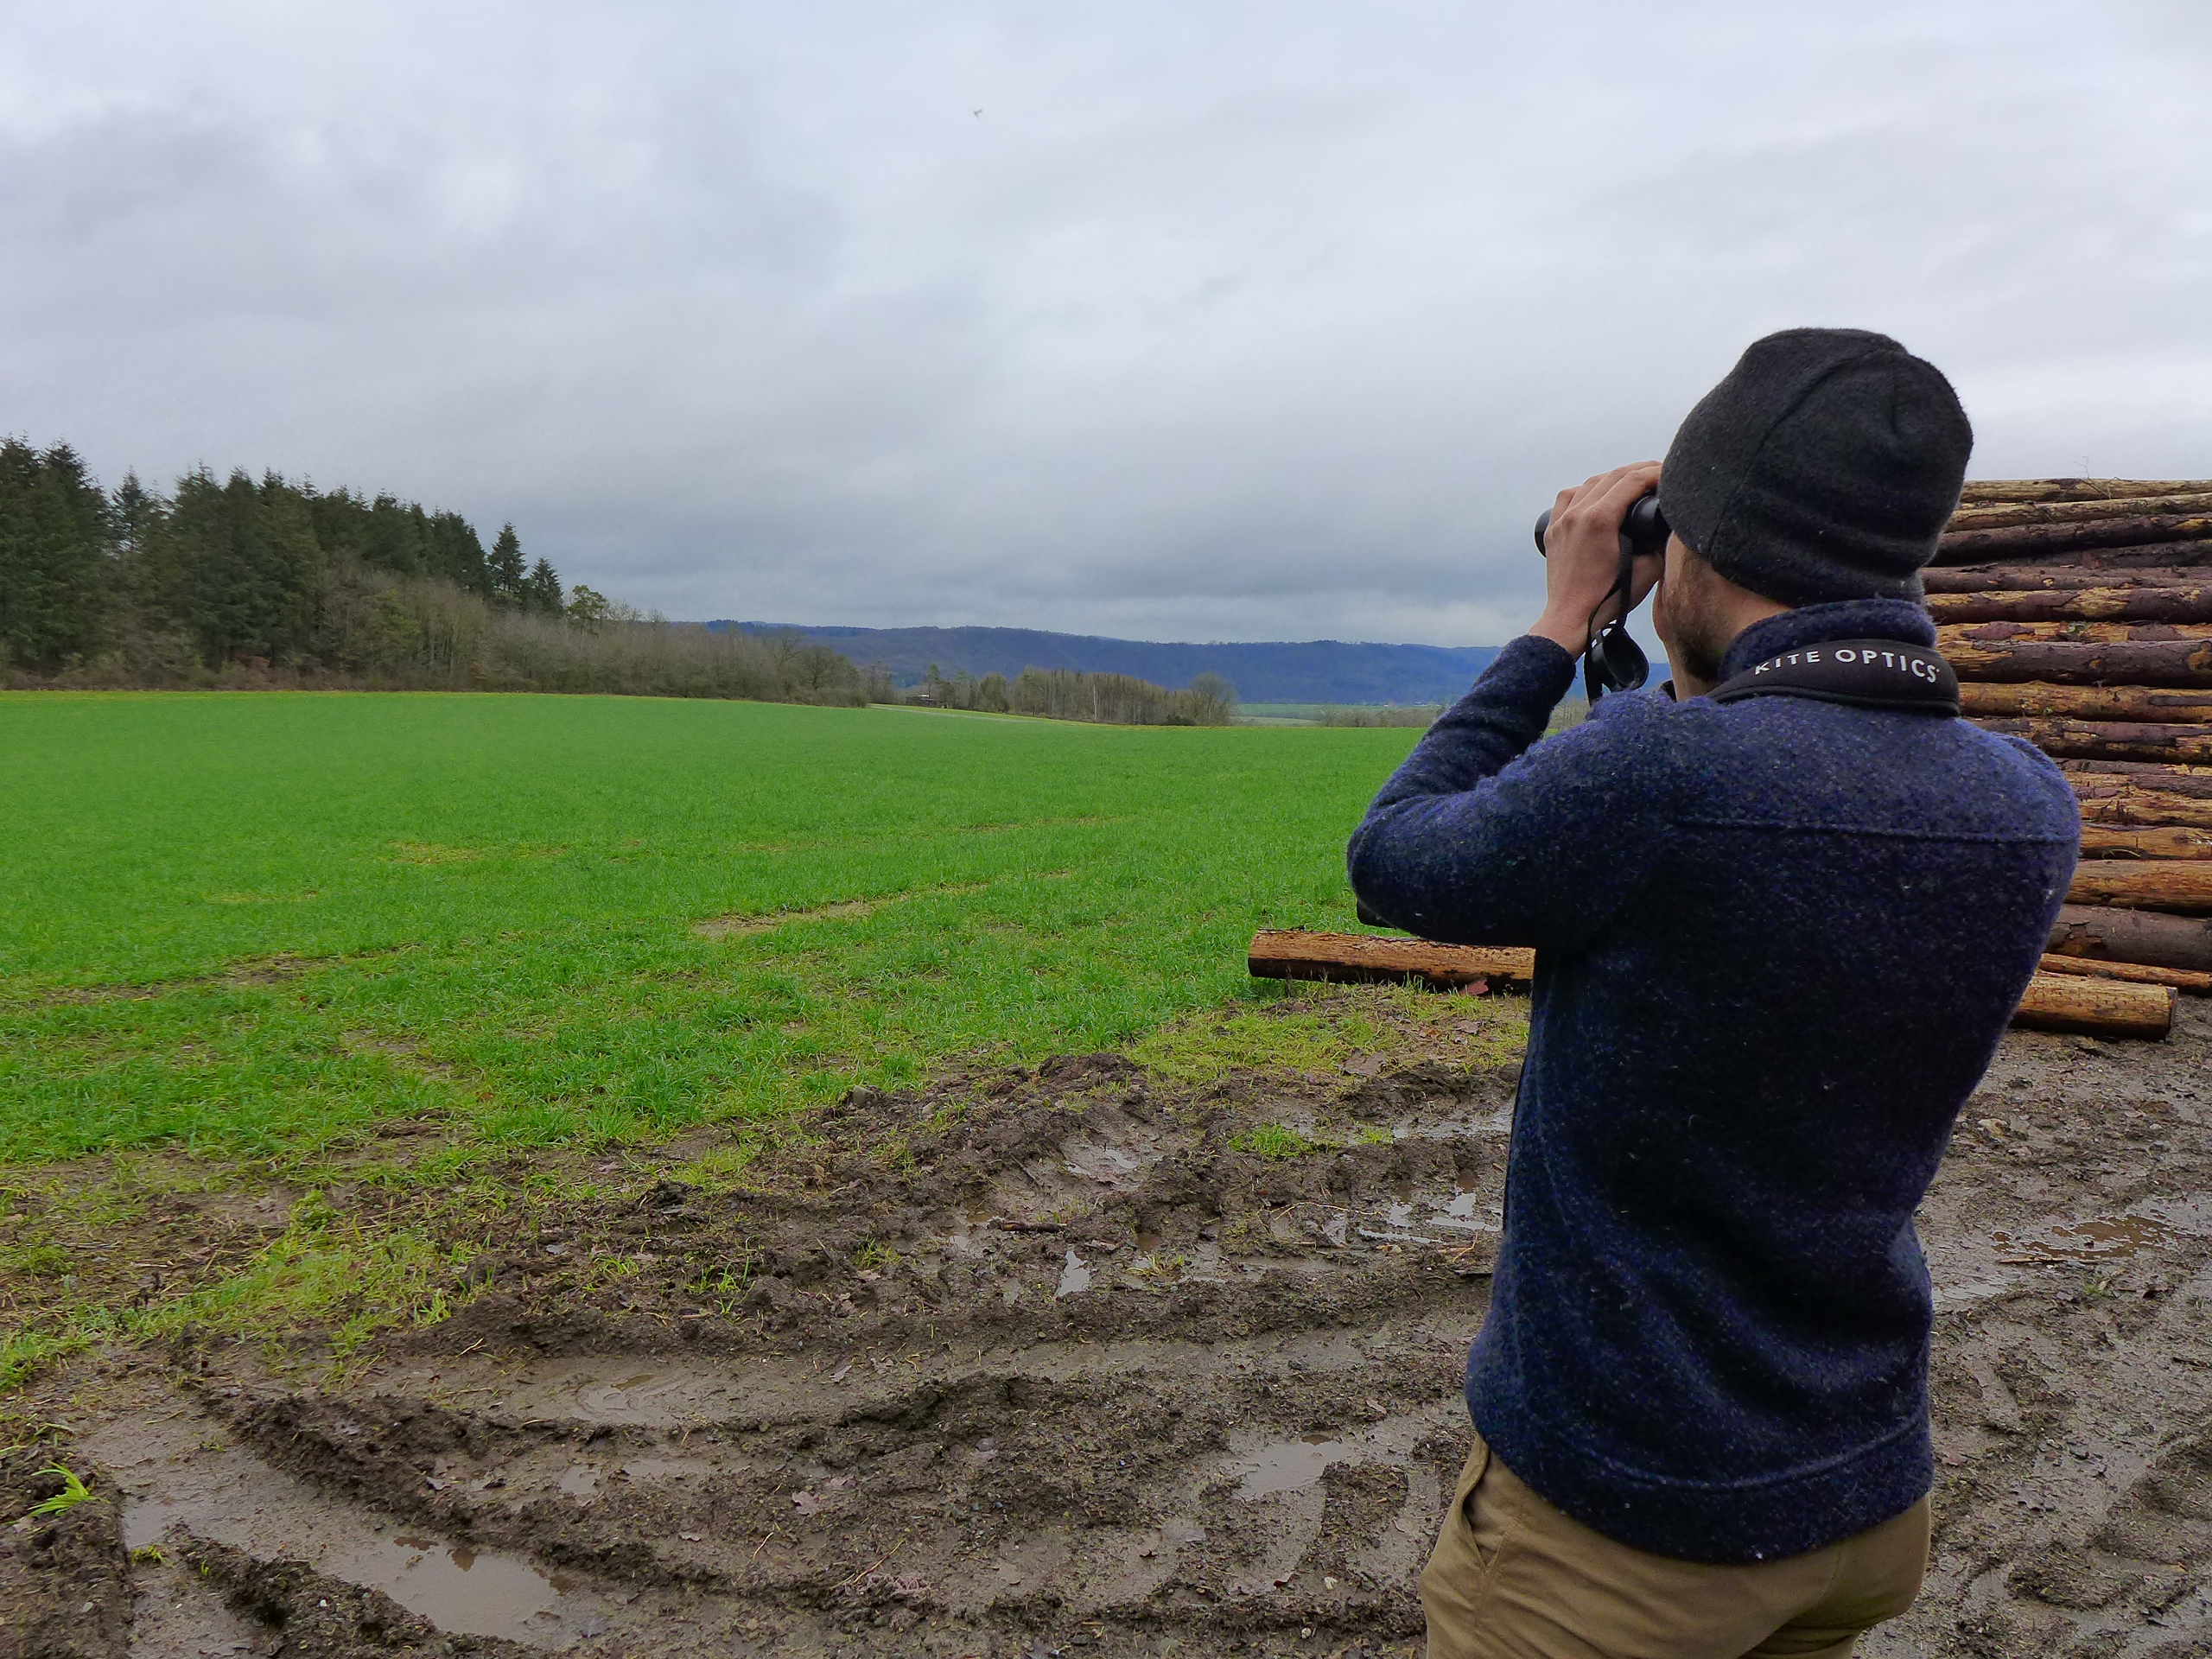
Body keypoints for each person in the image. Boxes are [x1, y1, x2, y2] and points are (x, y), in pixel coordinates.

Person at [1346, 328, 2080, 1657]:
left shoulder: (1658, 788)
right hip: (1857, 1490)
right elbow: (1782, 796)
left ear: (1699, 535)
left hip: (1628, 1535)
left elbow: (1396, 859)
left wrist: (1563, 620)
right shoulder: (2028, 806)